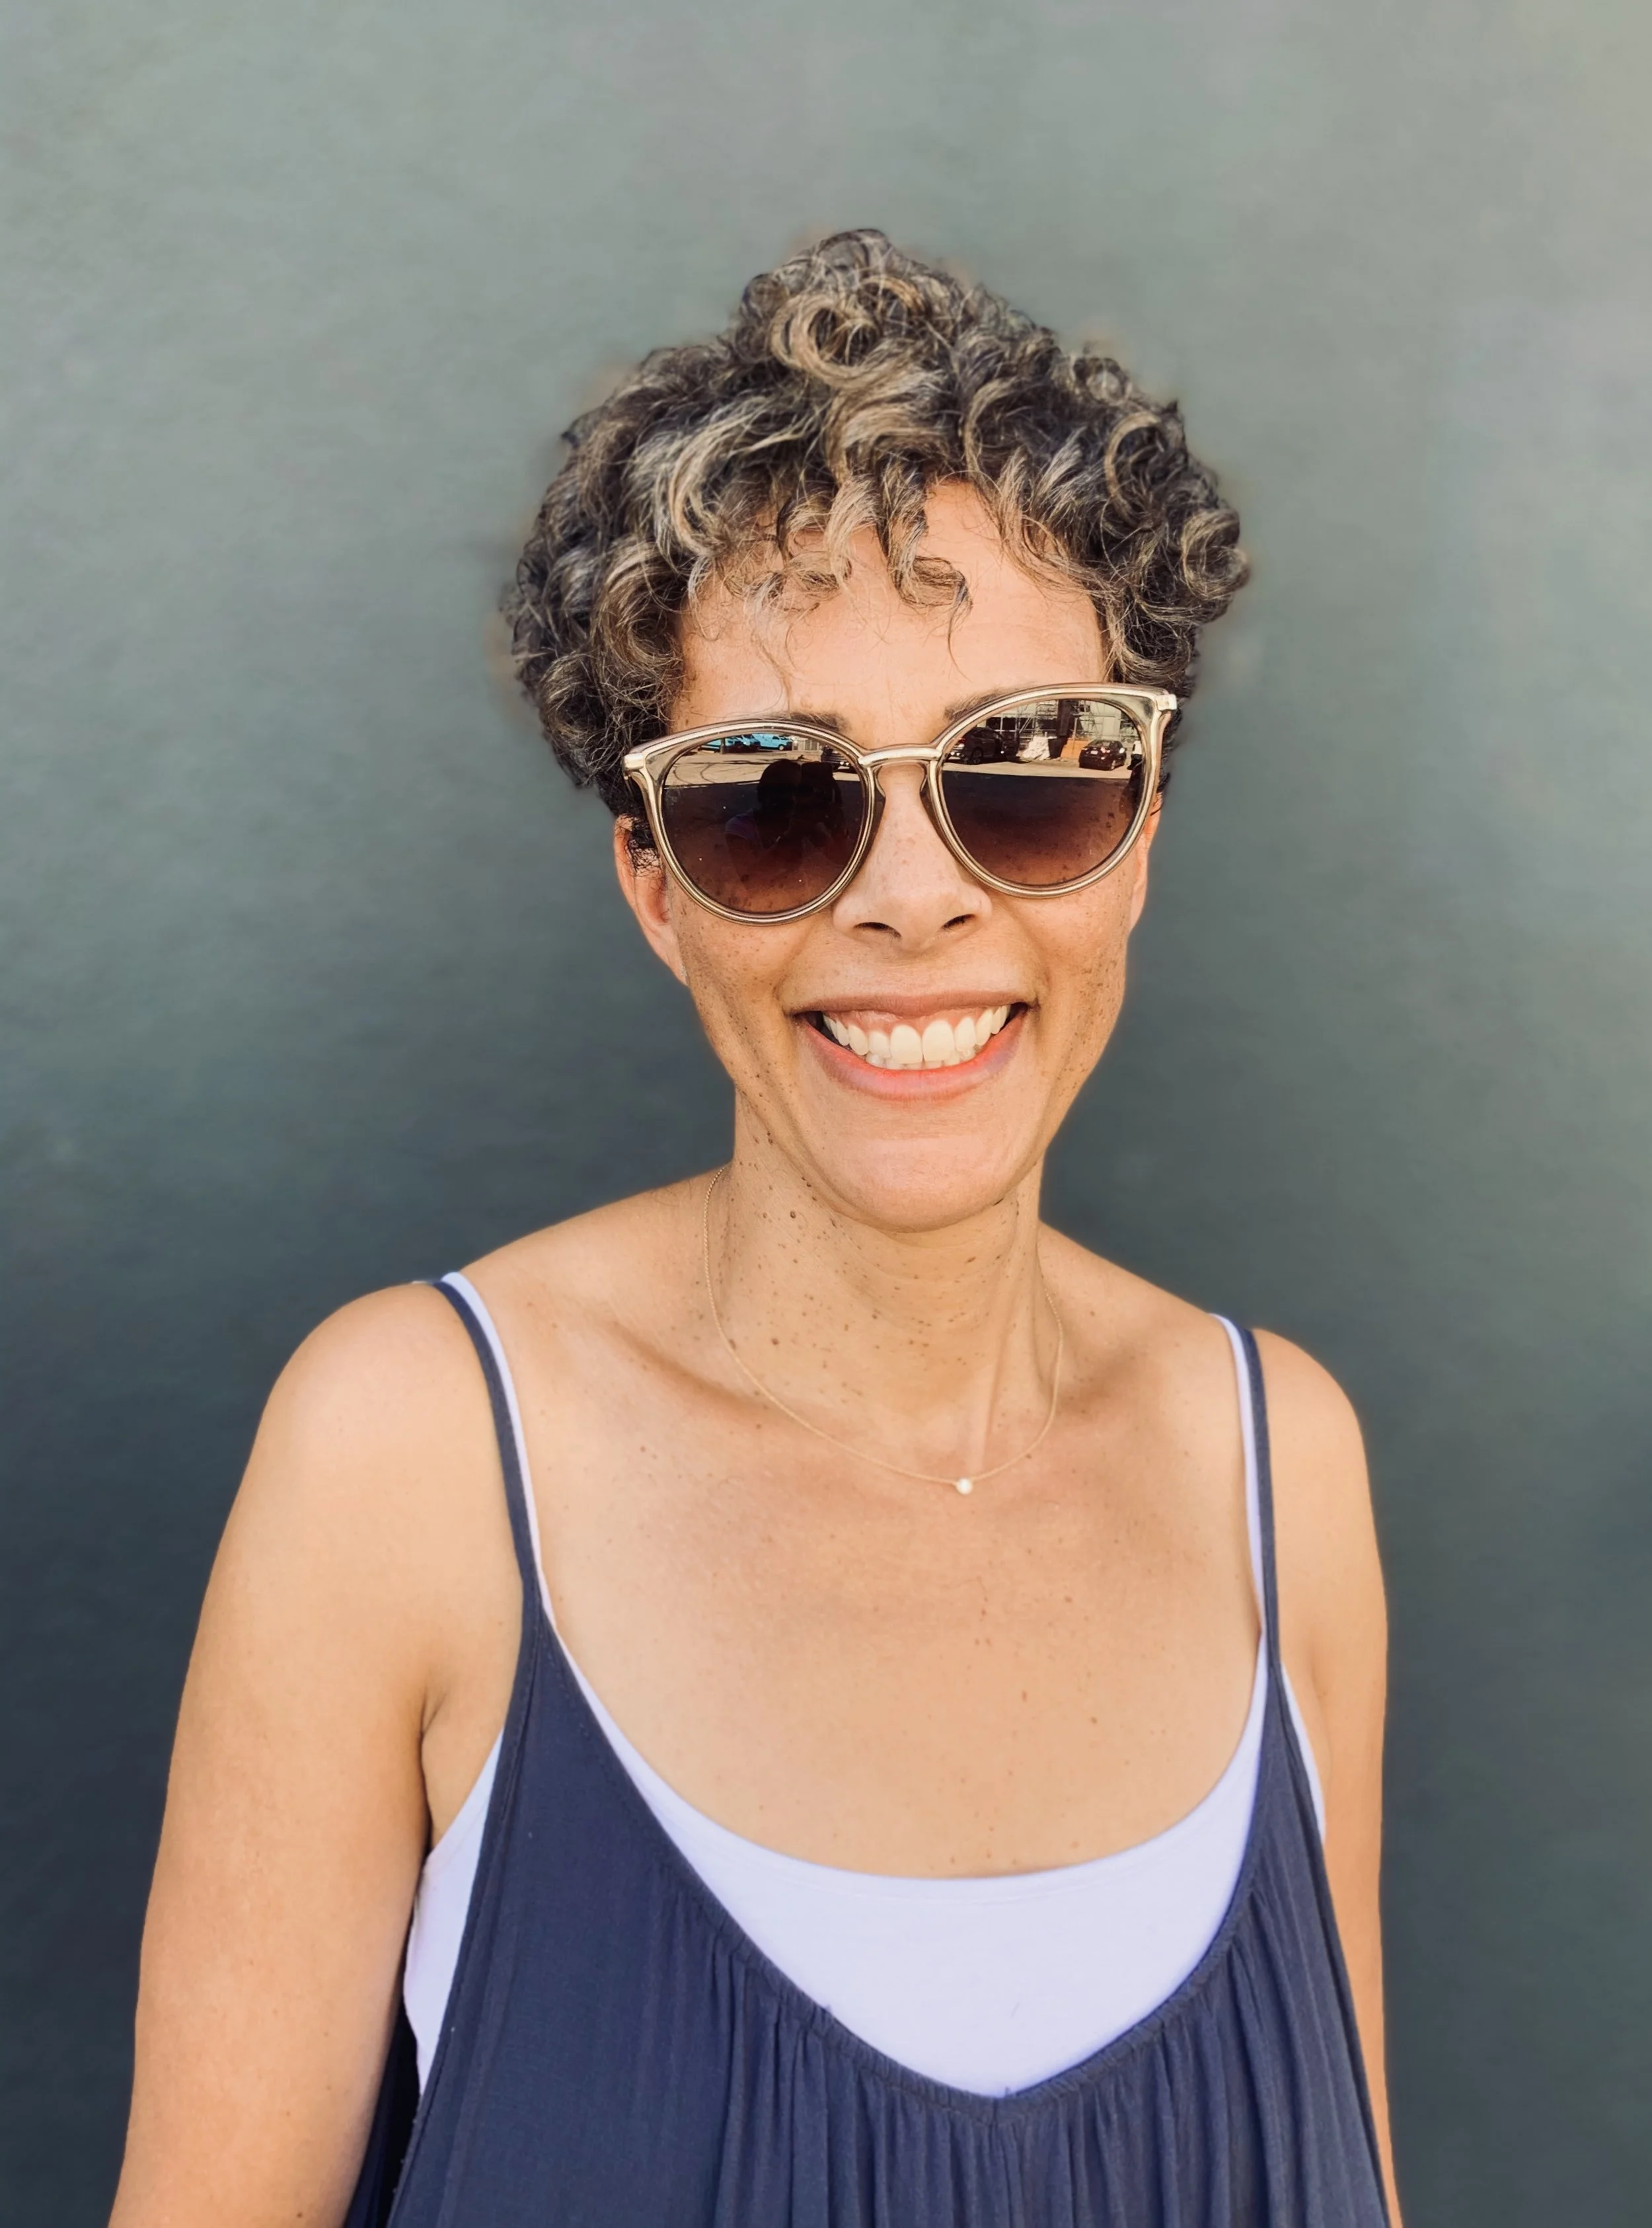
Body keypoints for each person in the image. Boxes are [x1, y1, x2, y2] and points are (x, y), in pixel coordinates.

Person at [111, 231, 1398, 2226]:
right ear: (653, 882)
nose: (911, 898)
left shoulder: (1273, 1462)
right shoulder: (410, 1459)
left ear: (1138, 832)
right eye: (772, 800)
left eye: (1030, 776)